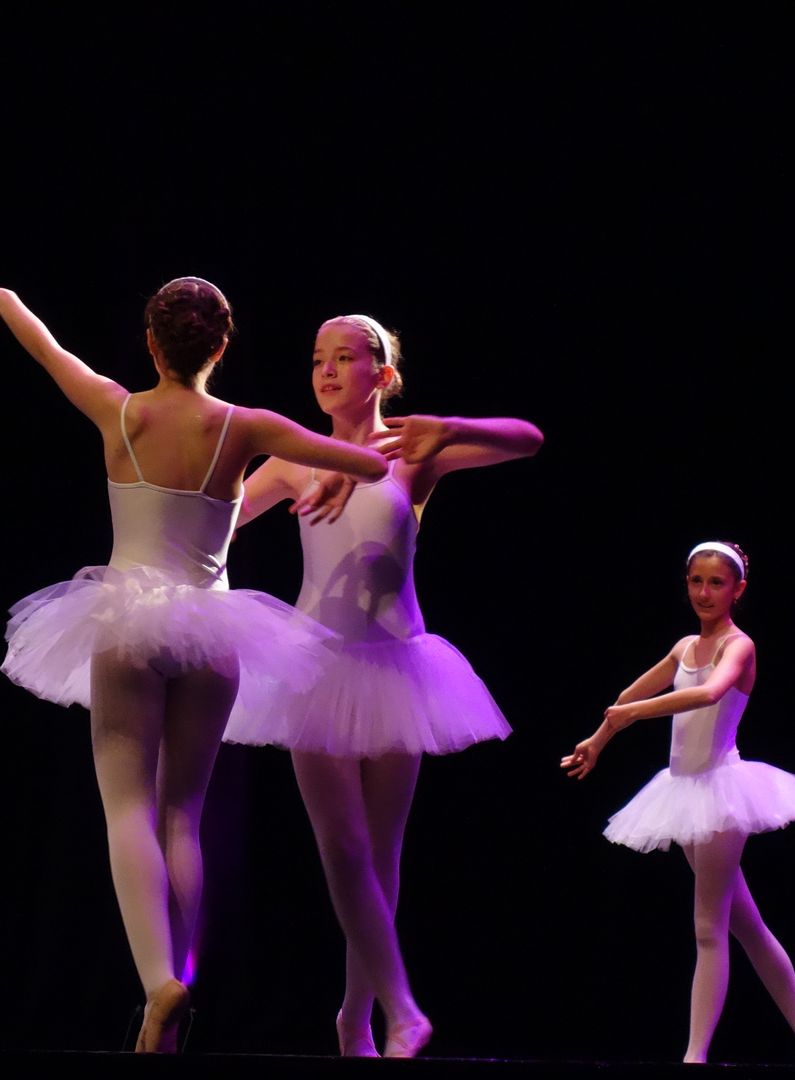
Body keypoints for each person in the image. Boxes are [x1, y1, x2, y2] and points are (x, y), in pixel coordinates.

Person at [0, 280, 387, 1053]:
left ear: (151, 345)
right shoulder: (246, 424)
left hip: (125, 619)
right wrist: (330, 469)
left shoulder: (116, 408)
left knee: (125, 803)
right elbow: (371, 464)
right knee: (181, 813)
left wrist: (5, 301)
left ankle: (160, 981)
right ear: (221, 347)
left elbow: (47, 351)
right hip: (211, 631)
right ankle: (181, 979)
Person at [223, 314, 543, 1057]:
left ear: (382, 374)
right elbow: (222, 518)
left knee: (383, 850)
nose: (328, 371)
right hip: (314, 666)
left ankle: (353, 1017)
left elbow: (528, 439)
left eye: (346, 358)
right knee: (342, 843)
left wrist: (449, 424)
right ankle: (401, 1009)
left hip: (399, 666)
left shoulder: (412, 452)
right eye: (317, 359)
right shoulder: (295, 460)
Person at [561, 541, 795, 1066]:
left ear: (738, 590)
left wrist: (634, 715)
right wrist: (599, 738)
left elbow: (709, 695)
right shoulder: (684, 646)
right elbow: (625, 699)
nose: (704, 592)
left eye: (716, 583)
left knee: (707, 929)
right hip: (682, 792)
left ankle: (694, 1058)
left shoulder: (740, 646)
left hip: (719, 792)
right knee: (744, 925)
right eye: (695, 581)